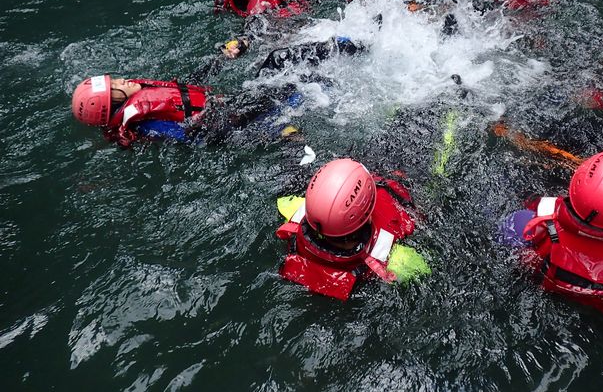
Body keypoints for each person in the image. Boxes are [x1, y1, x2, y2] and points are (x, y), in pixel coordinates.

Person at [498, 150, 603, 315]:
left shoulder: (533, 222)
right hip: (595, 311)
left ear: (576, 181)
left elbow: (503, 238)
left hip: (541, 291)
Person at [276, 158, 430, 300]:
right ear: (367, 209)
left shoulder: (291, 209)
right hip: (402, 180)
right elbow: (426, 270)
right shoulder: (398, 261)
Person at [71, 75, 301, 147]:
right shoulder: (148, 124)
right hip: (224, 124)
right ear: (111, 106)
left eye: (115, 80)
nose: (122, 80)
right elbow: (195, 137)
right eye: (115, 87)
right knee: (292, 86)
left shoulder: (140, 103)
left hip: (222, 109)